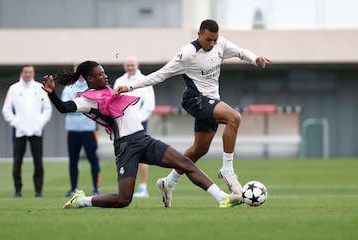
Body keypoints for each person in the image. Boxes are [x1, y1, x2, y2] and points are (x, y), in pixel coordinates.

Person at [41, 60, 242, 209]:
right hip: (126, 147)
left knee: (185, 163)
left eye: (104, 73)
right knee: (123, 200)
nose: (105, 76)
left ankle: (223, 198)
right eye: (101, 74)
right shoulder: (87, 100)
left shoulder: (110, 89)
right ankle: (82, 201)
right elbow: (64, 108)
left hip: (143, 139)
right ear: (90, 79)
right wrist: (51, 93)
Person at [115, 19, 270, 208]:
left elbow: (240, 52)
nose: (212, 43)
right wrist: (130, 86)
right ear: (199, 34)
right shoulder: (187, 54)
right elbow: (160, 74)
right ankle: (227, 170)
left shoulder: (220, 44)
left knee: (199, 149)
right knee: (234, 117)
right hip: (195, 99)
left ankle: (168, 182)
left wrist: (255, 59)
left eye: (214, 39)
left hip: (211, 100)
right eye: (208, 40)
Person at [2, 64, 52, 197]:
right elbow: (6, 109)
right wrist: (16, 122)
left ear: (33, 73)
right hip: (19, 131)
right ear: (22, 73)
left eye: (30, 72)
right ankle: (18, 191)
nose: (28, 74)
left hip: (36, 130)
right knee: (17, 162)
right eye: (26, 72)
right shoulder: (14, 89)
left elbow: (47, 109)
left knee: (38, 162)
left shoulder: (40, 88)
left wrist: (40, 123)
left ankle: (38, 191)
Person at [113, 56, 155, 198]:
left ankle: (143, 188)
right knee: (123, 153)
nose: (130, 67)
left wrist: (138, 119)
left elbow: (149, 104)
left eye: (132, 65)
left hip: (140, 123)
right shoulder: (119, 81)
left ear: (137, 65)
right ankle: (124, 188)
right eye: (128, 65)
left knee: (142, 155)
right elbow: (114, 101)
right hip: (123, 124)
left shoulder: (145, 80)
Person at [61, 74, 101, 197]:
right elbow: (66, 107)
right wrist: (84, 108)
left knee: (93, 158)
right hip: (72, 129)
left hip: (89, 129)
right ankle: (73, 188)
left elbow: (95, 106)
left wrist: (78, 107)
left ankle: (96, 188)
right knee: (73, 160)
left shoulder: (93, 88)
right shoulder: (68, 88)